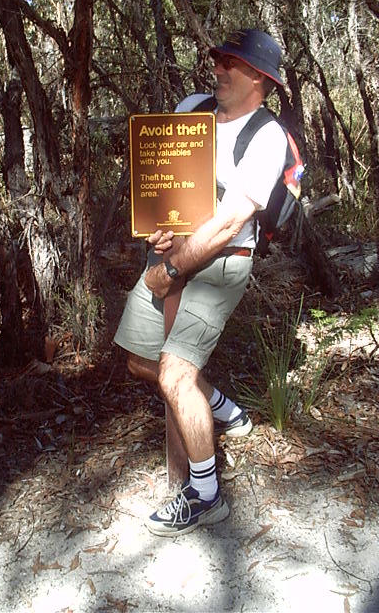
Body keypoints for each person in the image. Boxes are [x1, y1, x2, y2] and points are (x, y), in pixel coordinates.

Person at [114, 29, 288, 536]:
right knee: (139, 361)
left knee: (175, 375)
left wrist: (170, 271)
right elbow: (166, 186)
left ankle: (204, 494)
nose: (218, 68)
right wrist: (159, 231)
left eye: (231, 62)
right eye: (218, 58)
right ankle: (222, 407)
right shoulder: (192, 108)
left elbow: (229, 223)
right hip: (170, 254)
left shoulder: (267, 137)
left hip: (221, 262)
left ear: (259, 79)